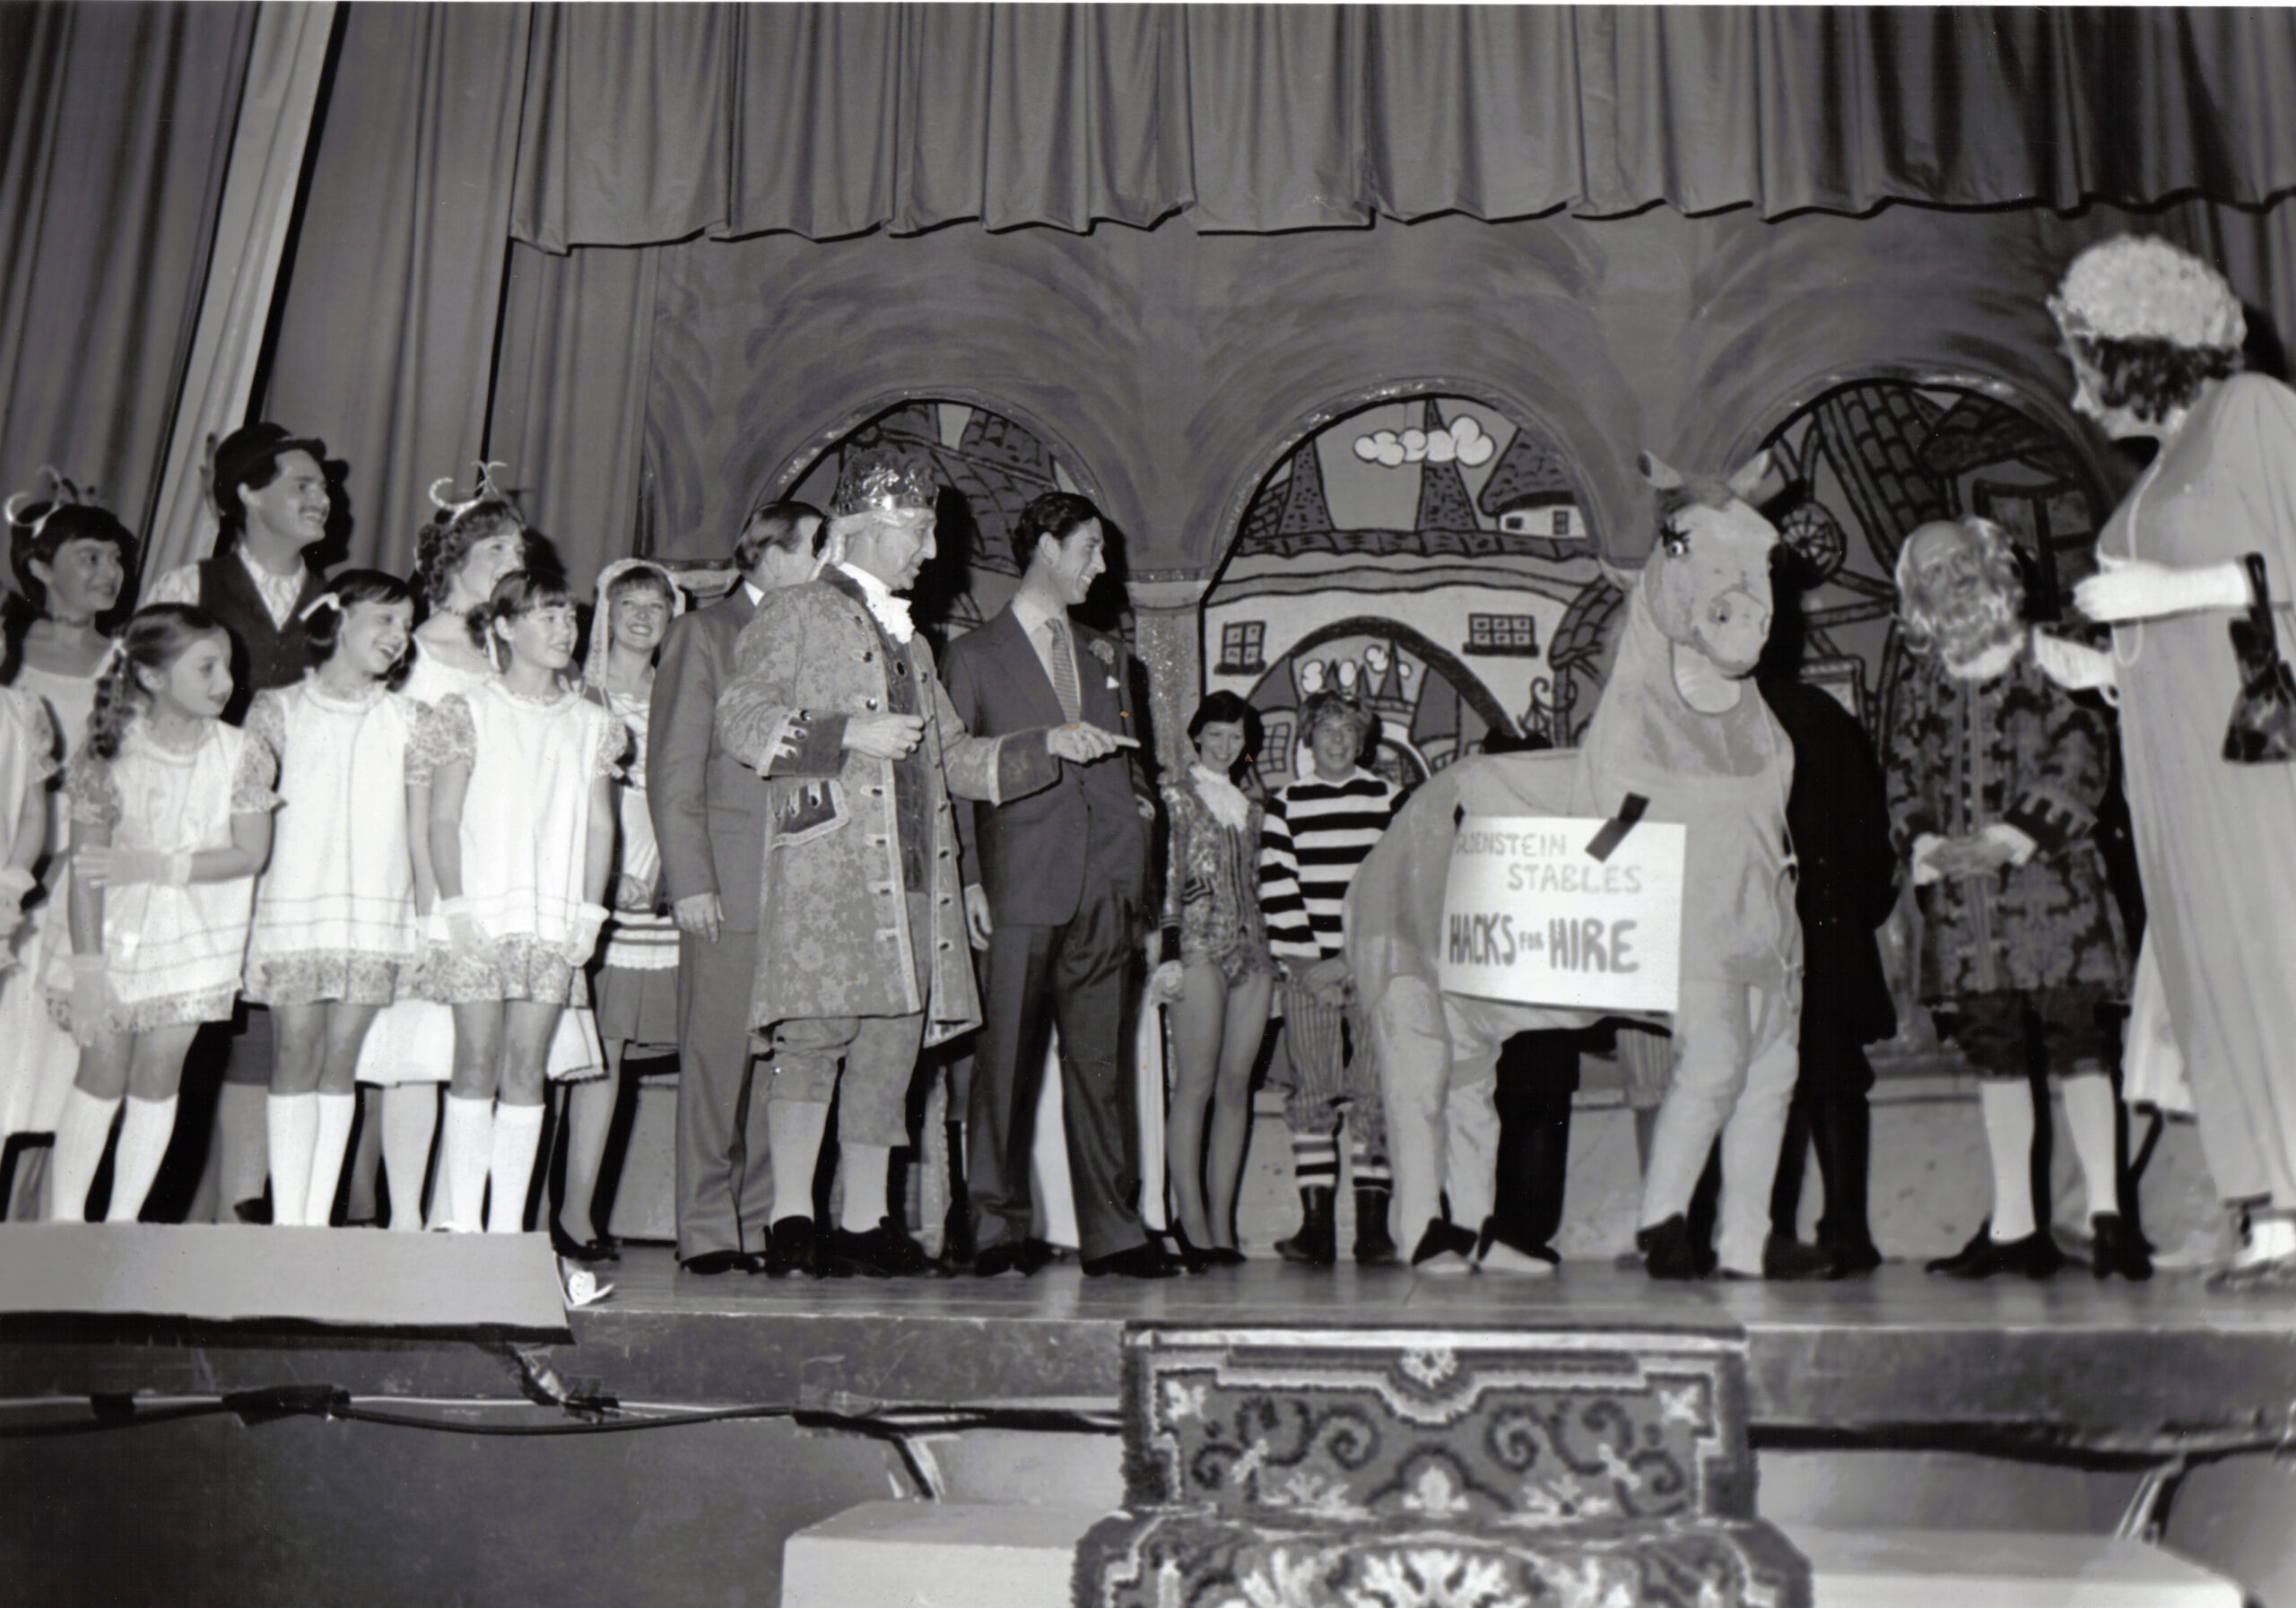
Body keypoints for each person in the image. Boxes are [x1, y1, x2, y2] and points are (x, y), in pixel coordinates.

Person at [716, 452, 1115, 1277]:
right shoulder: (794, 611)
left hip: (913, 880)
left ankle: (865, 1223)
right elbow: (741, 719)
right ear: (864, 529)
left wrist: (1048, 743)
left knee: (890, 1049)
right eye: (921, 530)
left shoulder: (920, 649)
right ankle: (793, 1219)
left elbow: (956, 759)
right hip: (829, 872)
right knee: (817, 1036)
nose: (932, 550)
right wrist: (843, 734)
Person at [2051, 236, 2296, 1287]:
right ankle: (2276, 1217)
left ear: (2137, 349)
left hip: (2252, 764)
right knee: (2216, 978)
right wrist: (2098, 661)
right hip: (2173, 766)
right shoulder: (2164, 467)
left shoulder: (2251, 407)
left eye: (2084, 358)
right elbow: (2186, 625)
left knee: (2272, 961)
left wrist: (2170, 593)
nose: (2075, 387)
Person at [1885, 517, 2147, 1282]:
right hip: (1968, 912)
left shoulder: (2054, 657)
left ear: (1994, 565)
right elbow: (1903, 773)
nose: (1953, 578)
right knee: (1997, 1060)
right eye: (1933, 570)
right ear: (1915, 593)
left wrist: (2011, 836)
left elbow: (2081, 754)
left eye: (1963, 562)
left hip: (2055, 893)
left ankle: (2107, 1218)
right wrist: (1928, 844)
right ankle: (2015, 1227)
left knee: (2081, 1049)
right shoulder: (1923, 681)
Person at [939, 491, 1168, 1280]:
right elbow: (952, 774)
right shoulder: (971, 655)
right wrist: (969, 875)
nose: (1100, 567)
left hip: (1106, 883)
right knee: (1004, 1064)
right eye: (1090, 550)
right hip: (1017, 883)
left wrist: (1136, 857)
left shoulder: (1108, 655)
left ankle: (1113, 1233)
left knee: (1101, 1065)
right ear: (1045, 546)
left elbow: (1134, 769)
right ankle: (996, 1228)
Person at [146, 424, 335, 1221]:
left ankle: (260, 1203)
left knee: (284, 1023)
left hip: (312, 840)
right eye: (302, 484)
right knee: (183, 1022)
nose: (322, 497)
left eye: (325, 487)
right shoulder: (190, 581)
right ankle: (143, 1214)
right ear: (247, 493)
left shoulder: (342, 601)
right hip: (207, 839)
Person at [44, 606, 277, 1221]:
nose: (224, 679)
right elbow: (87, 873)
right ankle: (63, 1223)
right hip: (114, 938)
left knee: (161, 1068)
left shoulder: (244, 751)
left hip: (200, 935)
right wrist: (89, 971)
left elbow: (250, 852)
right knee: (103, 1062)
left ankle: (123, 1224)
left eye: (227, 664)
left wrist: (157, 867)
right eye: (206, 666)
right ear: (150, 676)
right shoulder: (108, 751)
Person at [352, 472, 540, 1227]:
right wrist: (428, 882)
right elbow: (393, 767)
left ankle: (454, 1213)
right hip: (423, 858)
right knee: (419, 1046)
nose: (511, 555)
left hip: (496, 857)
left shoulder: (511, 647)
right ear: (455, 555)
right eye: (496, 545)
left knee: (481, 1048)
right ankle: (404, 1219)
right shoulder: (420, 647)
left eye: (519, 546)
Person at [411, 569, 620, 1234]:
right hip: (480, 915)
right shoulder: (466, 709)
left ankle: (506, 1231)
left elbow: (599, 824)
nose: (565, 630)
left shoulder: (592, 723)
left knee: (528, 1066)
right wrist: (456, 905)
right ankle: (464, 1225)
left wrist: (590, 913)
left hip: (550, 919)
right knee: (475, 1059)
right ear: (503, 627)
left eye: (568, 617)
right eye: (546, 617)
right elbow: (442, 818)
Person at [648, 502, 826, 1276]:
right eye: (820, 546)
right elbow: (675, 768)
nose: (828, 560)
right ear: (774, 554)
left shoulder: (816, 637)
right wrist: (690, 880)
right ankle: (707, 1229)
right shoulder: (705, 633)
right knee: (716, 1062)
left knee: (777, 1068)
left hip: (801, 890)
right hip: (725, 881)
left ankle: (758, 1223)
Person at [241, 571, 423, 1228]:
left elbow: (423, 825)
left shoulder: (409, 719)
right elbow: (246, 817)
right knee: (294, 1051)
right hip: (295, 905)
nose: (398, 636)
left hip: (376, 910)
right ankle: (289, 1221)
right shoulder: (278, 709)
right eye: (384, 619)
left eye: (406, 624)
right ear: (338, 619)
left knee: (342, 1061)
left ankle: (313, 1225)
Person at [1755, 617, 1898, 1278]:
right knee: (1836, 1077)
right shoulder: (1821, 713)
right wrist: (1860, 908)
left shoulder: (1715, 723)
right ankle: (1846, 1230)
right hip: (1830, 927)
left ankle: (1767, 1231)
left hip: (1758, 932)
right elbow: (1872, 826)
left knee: (1764, 1081)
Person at [0, 480, 126, 1213]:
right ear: (41, 566)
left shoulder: (126, 660)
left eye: (115, 558)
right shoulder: (9, 656)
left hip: (83, 886)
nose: (109, 572)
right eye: (89, 556)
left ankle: (44, 1237)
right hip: (12, 878)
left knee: (64, 1070)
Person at [560, 558, 685, 1263]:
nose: (642, 615)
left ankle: (580, 1213)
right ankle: (536, 1208)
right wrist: (602, 877)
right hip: (590, 882)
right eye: (628, 602)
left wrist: (663, 873)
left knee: (609, 1058)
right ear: (604, 609)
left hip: (659, 883)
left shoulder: (678, 692)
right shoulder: (577, 690)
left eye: (656, 604)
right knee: (574, 1055)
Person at [1257, 691, 1405, 1267]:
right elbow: (1277, 886)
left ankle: (1373, 1232)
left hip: (1373, 971)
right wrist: (1309, 968)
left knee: (1374, 1092)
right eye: (1326, 730)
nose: (1337, 740)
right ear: (1308, 737)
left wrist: (1352, 960)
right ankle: (1315, 1228)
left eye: (1348, 730)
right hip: (1306, 973)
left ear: (1363, 739)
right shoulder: (1285, 805)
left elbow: (1393, 889)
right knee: (1314, 1093)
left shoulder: (1390, 801)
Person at [1150, 692, 1272, 1269]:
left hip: (1252, 951)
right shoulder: (1176, 795)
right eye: (1216, 735)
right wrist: (1167, 951)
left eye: (1236, 737)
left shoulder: (1253, 806)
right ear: (1199, 736)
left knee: (1235, 1089)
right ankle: (1189, 1217)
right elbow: (1166, 879)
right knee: (1194, 1085)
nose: (1226, 746)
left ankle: (1222, 1223)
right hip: (1196, 948)